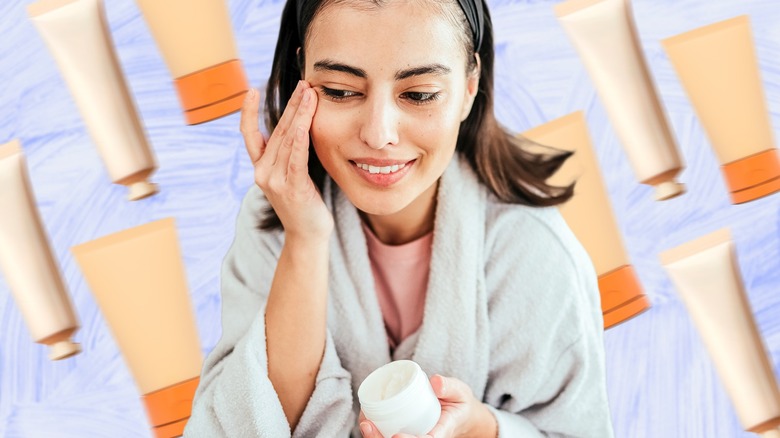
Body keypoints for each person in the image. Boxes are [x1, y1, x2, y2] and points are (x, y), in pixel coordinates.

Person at [184, 0, 614, 436]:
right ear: (302, 79)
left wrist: (480, 428)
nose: (378, 133)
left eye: (419, 94)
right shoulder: (274, 221)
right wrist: (305, 238)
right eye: (339, 90)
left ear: (469, 87)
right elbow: (245, 426)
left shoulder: (532, 250)